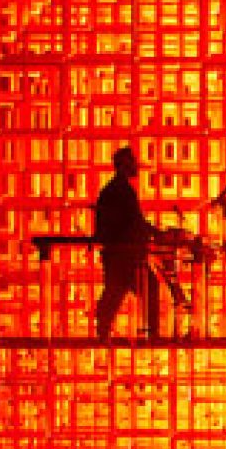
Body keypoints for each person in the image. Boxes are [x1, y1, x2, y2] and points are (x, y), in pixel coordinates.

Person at [93, 146, 161, 340]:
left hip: (118, 254)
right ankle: (152, 334)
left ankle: (103, 330)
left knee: (115, 291)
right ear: (124, 164)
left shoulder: (113, 189)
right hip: (125, 255)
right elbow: (134, 222)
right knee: (146, 288)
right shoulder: (121, 191)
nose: (136, 166)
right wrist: (156, 234)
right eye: (132, 162)